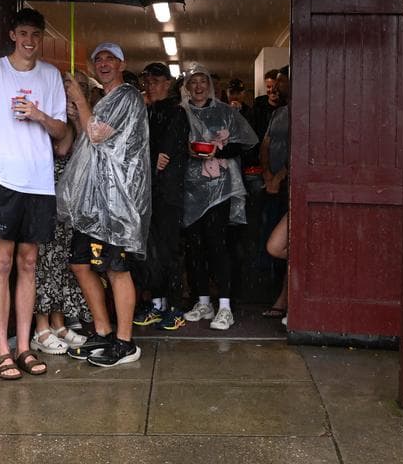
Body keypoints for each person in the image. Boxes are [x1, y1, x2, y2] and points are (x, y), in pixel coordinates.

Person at [0, 8, 67, 380]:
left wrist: (39, 115)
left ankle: (25, 346)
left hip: (40, 182)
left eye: (36, 35)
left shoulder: (51, 75)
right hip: (5, 182)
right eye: (24, 34)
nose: (30, 41)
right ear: (13, 35)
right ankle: (1, 348)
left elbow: (60, 131)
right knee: (2, 262)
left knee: (29, 264)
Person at [59, 43, 151, 367]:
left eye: (110, 58)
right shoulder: (103, 100)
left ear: (123, 63)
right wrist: (79, 112)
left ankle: (125, 343)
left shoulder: (126, 97)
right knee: (80, 263)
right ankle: (103, 331)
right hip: (93, 205)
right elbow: (90, 140)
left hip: (118, 203)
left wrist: (81, 101)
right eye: (97, 58)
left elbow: (97, 134)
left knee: (116, 268)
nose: (103, 63)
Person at [181, 63, 259, 331]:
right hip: (190, 189)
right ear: (187, 87)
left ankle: (225, 307)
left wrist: (217, 152)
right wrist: (186, 151)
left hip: (219, 190)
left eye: (203, 81)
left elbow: (243, 143)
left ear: (210, 85)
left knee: (217, 245)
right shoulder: (181, 113)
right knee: (194, 247)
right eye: (194, 82)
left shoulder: (225, 112)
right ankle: (203, 301)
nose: (199, 87)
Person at [28, 71, 93, 357]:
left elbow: (88, 147)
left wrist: (78, 116)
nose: (70, 94)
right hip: (44, 197)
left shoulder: (82, 119)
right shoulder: (52, 119)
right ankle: (40, 328)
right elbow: (63, 147)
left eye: (77, 89)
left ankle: (58, 324)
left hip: (69, 204)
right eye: (67, 88)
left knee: (61, 263)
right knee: (43, 261)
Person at [132, 62, 190, 331]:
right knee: (150, 251)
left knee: (169, 251)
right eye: (148, 81)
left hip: (167, 194)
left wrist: (150, 160)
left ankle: (176, 307)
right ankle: (156, 303)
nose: (151, 86)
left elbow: (161, 158)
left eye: (156, 81)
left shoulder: (176, 113)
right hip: (147, 194)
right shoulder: (146, 111)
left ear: (168, 83)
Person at [259, 67, 291, 318]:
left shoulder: (306, 111)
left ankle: (287, 299)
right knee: (272, 244)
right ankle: (280, 297)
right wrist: (267, 174)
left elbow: (302, 149)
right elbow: (266, 144)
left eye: (281, 83)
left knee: (286, 245)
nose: (276, 88)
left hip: (292, 188)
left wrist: (281, 176)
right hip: (273, 187)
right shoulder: (279, 113)